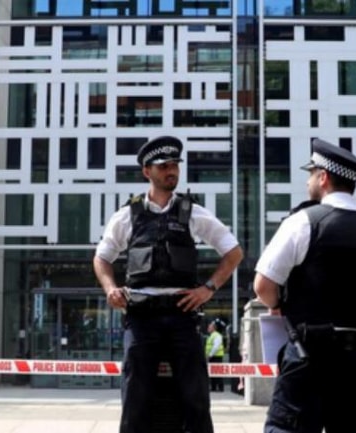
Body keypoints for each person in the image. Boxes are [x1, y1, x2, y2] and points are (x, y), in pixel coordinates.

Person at [93, 136, 244, 433]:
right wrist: (110, 289)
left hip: (182, 315)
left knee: (196, 397)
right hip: (141, 317)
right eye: (163, 166)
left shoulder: (193, 212)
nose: (171, 171)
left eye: (174, 165)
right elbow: (101, 258)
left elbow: (234, 252)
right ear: (146, 171)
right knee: (135, 398)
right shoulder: (128, 215)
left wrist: (208, 289)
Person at [253, 138, 356, 433]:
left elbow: (263, 285)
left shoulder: (303, 223)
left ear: (323, 177)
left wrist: (279, 305)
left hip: (309, 355)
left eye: (311, 174)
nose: (308, 181)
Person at [205, 318, 226, 392]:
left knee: (218, 372)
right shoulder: (211, 336)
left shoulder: (217, 335)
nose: (208, 329)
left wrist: (210, 355)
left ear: (213, 328)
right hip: (213, 356)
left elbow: (216, 347)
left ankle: (220, 388)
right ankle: (213, 387)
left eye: (209, 327)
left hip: (216, 356)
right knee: (212, 372)